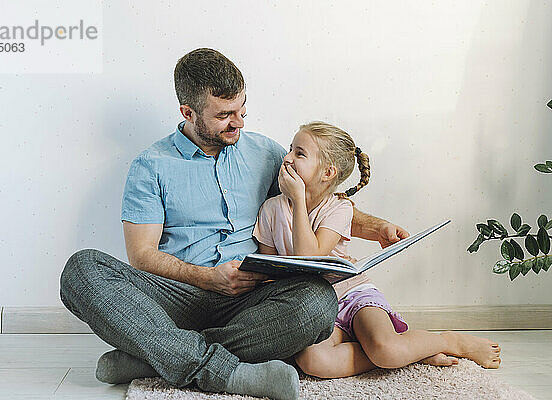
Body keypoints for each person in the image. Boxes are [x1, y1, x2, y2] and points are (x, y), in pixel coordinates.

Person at [59, 48, 410, 400]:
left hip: (249, 301)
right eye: (225, 114)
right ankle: (224, 372)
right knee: (81, 269)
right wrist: (208, 278)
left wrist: (377, 227)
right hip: (174, 297)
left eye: (242, 110)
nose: (239, 122)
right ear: (188, 113)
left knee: (317, 301)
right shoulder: (150, 166)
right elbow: (141, 256)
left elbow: (319, 202)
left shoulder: (267, 153)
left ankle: (155, 358)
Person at [253, 121, 502, 379]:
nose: (287, 158)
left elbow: (309, 257)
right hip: (315, 308)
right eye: (291, 149)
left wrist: (297, 199)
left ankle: (449, 341)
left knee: (387, 349)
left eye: (299, 153)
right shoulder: (271, 210)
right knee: (315, 362)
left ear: (327, 173)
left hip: (352, 294)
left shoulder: (339, 208)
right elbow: (271, 275)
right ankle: (412, 352)